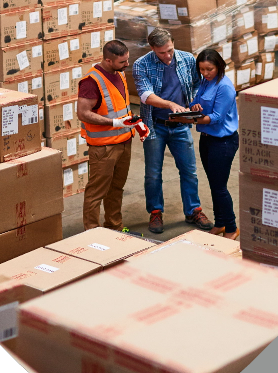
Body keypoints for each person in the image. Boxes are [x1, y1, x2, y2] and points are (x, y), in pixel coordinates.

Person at [132, 28, 214, 234]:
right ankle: (156, 212)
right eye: (162, 53)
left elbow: (198, 84)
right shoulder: (142, 64)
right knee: (152, 173)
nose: (167, 56)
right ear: (152, 49)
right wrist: (170, 104)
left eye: (170, 50)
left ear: (173, 43)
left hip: (181, 126)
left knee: (189, 171)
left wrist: (195, 102)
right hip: (155, 125)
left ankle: (193, 210)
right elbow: (145, 95)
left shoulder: (187, 59)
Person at [77, 40, 146, 231]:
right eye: (122, 62)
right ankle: (91, 232)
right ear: (108, 60)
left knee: (116, 189)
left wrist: (136, 124)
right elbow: (83, 113)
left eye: (127, 60)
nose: (127, 65)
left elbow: (120, 108)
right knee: (97, 192)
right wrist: (114, 123)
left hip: (124, 142)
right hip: (104, 147)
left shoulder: (119, 74)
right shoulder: (91, 81)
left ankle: (114, 227)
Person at [178, 49, 240, 240]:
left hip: (223, 142)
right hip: (207, 139)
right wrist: (194, 108)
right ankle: (219, 222)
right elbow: (196, 103)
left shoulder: (225, 87)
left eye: (209, 69)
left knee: (220, 187)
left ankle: (231, 227)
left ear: (219, 66)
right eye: (202, 69)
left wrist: (191, 121)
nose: (205, 73)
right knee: (214, 184)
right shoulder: (206, 82)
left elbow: (217, 117)